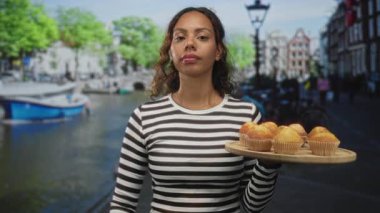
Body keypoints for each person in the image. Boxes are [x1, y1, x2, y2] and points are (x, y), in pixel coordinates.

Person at [109, 7, 280, 213]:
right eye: (180, 38)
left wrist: (268, 166)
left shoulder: (247, 117)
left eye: (202, 37)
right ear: (171, 51)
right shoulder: (144, 118)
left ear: (218, 51)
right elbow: (122, 204)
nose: (189, 43)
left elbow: (252, 206)